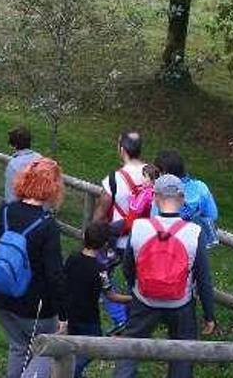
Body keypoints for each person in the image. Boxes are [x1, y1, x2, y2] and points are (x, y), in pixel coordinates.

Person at [112, 174, 216, 378]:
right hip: (181, 304)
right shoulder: (194, 232)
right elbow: (203, 279)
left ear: (155, 198)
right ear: (182, 198)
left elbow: (127, 267)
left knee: (129, 349)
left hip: (144, 300)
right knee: (183, 354)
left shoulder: (140, 228)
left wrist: (135, 288)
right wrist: (209, 314)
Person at [0, 157, 68, 378]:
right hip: (36, 310)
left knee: (18, 347)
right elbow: (55, 275)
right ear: (54, 188)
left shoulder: (5, 212)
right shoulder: (48, 227)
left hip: (2, 299)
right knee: (45, 350)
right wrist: (63, 314)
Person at [92, 130, 147, 334]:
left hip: (121, 239)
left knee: (102, 275)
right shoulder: (152, 174)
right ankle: (138, 321)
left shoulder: (114, 179)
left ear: (122, 149)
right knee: (137, 283)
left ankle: (120, 317)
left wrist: (92, 235)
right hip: (146, 241)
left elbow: (101, 211)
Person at [64, 222, 132, 378]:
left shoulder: (72, 258)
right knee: (92, 349)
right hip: (89, 318)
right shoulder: (100, 270)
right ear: (104, 244)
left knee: (74, 345)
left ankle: (73, 371)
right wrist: (133, 298)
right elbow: (111, 296)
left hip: (71, 313)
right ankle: (71, 371)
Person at [152, 149, 219, 249]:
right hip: (192, 246)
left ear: (164, 172)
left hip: (167, 246)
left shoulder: (161, 192)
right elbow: (213, 215)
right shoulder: (201, 188)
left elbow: (154, 219)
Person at [4, 126, 41, 204]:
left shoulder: (13, 165)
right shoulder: (40, 158)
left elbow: (10, 194)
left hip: (20, 208)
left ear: (15, 146)